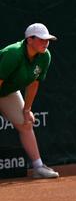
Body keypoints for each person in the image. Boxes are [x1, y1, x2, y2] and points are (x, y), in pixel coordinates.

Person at [0, 24, 59, 179]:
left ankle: (38, 167)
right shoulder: (13, 54)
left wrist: (27, 109)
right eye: (41, 39)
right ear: (29, 40)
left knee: (26, 123)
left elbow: (34, 83)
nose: (46, 43)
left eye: (47, 40)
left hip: (6, 92)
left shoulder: (45, 56)